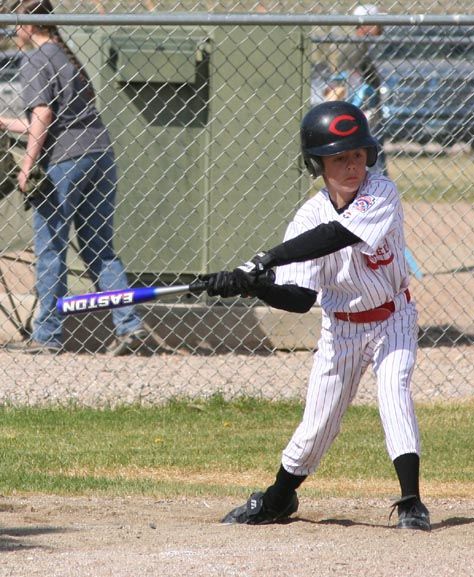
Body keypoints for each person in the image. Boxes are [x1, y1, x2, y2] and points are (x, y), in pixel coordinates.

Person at [202, 101, 430, 531]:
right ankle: (277, 498)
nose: (351, 166)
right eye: (339, 158)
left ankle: (411, 501)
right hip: (341, 327)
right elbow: (299, 299)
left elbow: (335, 236)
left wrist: (265, 258)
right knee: (317, 425)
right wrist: (252, 284)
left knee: (394, 392)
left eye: (358, 155)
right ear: (317, 164)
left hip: (393, 318)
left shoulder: (381, 192)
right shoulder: (309, 215)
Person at [0, 0, 152, 355]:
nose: (10, 27)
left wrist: (27, 165)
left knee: (51, 249)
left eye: (13, 20)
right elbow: (54, 117)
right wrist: (6, 123)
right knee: (100, 248)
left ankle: (48, 336)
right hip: (100, 154)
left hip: (66, 161)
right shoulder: (64, 56)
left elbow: (43, 114)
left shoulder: (36, 59)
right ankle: (129, 324)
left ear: (28, 21)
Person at [333, 4, 388, 176]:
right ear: (366, 25)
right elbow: (347, 81)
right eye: (376, 23)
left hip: (364, 108)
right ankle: (378, 188)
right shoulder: (357, 46)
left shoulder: (363, 45)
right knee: (371, 154)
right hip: (361, 110)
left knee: (373, 153)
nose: (380, 27)